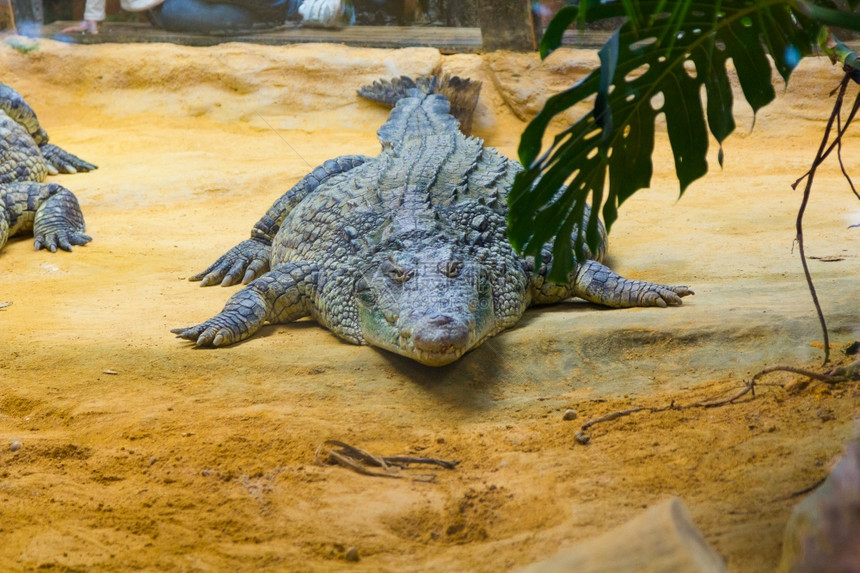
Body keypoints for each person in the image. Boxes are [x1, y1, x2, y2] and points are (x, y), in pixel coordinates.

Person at [62, 0, 292, 35]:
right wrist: (92, 15)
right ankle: (297, 10)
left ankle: (296, 8)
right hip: (166, 5)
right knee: (180, 12)